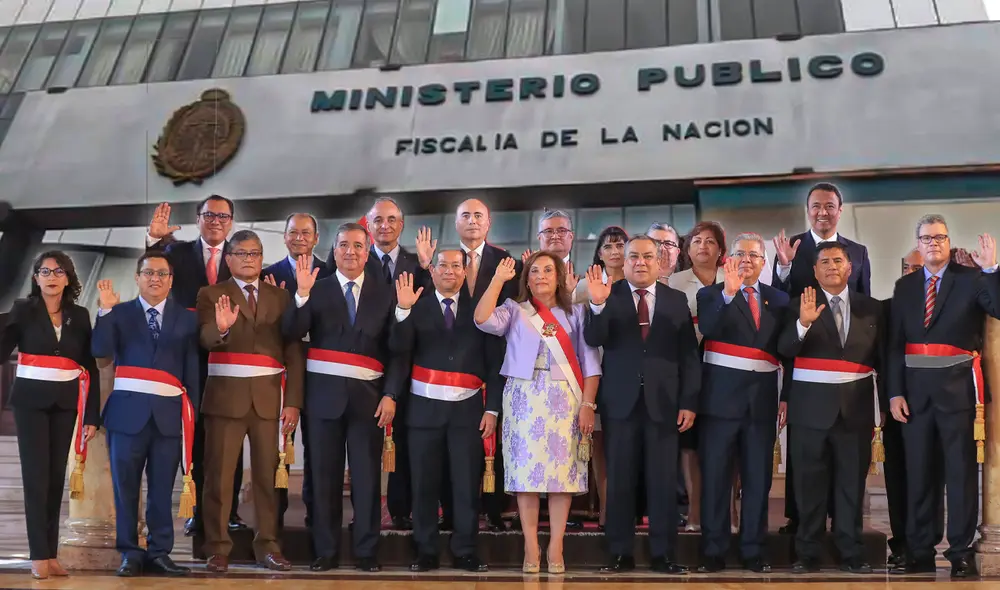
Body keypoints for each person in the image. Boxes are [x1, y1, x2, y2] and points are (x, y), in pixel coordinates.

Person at [285, 222, 404, 572]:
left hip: (370, 402)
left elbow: (397, 352)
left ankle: (366, 551)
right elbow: (291, 332)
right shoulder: (315, 289)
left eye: (357, 246)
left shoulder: (386, 293)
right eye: (343, 245)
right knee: (323, 477)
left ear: (368, 252)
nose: (350, 252)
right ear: (333, 250)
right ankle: (325, 550)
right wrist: (301, 295)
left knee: (367, 479)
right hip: (323, 400)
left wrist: (391, 394)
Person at [474, 253, 601, 573]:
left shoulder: (577, 313)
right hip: (523, 399)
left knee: (561, 478)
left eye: (548, 270)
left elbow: (591, 366)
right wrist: (497, 281)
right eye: (534, 271)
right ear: (526, 279)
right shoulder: (515, 310)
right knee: (526, 476)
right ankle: (531, 545)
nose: (541, 276)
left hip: (565, 400)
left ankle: (556, 544)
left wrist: (587, 405)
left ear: (559, 277)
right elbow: (481, 318)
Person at [888, 215, 1000, 578]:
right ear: (917, 244)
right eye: (926, 238)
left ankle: (960, 552)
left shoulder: (971, 280)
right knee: (919, 474)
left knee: (960, 474)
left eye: (939, 237)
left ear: (949, 242)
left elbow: (998, 308)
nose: (933, 243)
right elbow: (893, 347)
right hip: (914, 394)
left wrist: (992, 269)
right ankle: (920, 550)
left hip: (957, 392)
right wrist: (894, 393)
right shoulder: (903, 287)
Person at [584, 235, 699, 574]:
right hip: (621, 404)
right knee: (620, 480)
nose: (640, 262)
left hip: (665, 405)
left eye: (648, 256)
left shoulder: (676, 299)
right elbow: (593, 339)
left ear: (660, 260)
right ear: (624, 260)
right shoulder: (610, 295)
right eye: (633, 256)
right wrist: (597, 306)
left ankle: (664, 554)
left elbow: (689, 357)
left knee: (663, 481)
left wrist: (689, 401)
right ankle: (620, 553)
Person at [197, 230, 303, 573]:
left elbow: (293, 351)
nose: (248, 259)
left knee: (268, 479)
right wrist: (222, 328)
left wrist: (294, 402)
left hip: (268, 400)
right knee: (219, 477)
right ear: (228, 259)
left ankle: (269, 546)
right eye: (241, 253)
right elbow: (205, 338)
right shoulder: (211, 294)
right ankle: (216, 547)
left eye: (254, 253)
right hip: (225, 399)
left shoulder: (281, 297)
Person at [777, 242, 884, 574]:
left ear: (850, 268)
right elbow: (785, 349)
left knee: (851, 485)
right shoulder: (798, 306)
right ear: (814, 270)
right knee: (809, 486)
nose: (832, 266)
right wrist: (803, 324)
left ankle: (851, 552)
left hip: (855, 411)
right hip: (810, 412)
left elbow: (884, 360)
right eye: (824, 261)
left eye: (839, 260)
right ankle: (807, 552)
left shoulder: (873, 309)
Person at [771, 182, 871, 534]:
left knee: (847, 459)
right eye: (816, 206)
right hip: (803, 361)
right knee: (806, 454)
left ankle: (843, 527)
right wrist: (783, 269)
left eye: (830, 205)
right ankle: (801, 521)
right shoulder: (792, 248)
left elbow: (864, 308)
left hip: (844, 367)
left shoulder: (857, 251)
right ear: (807, 209)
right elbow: (778, 307)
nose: (823, 212)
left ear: (840, 210)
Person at [92, 253, 199, 577]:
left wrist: (192, 414)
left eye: (162, 274)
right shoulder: (119, 313)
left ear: (171, 280)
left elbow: (191, 371)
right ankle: (130, 552)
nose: (155, 278)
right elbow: (100, 351)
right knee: (125, 487)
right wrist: (106, 311)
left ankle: (159, 552)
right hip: (127, 416)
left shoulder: (187, 318)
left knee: (162, 488)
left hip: (168, 417)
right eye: (149, 273)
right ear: (137, 277)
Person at [416, 198, 520, 532]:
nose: (472, 221)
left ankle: (484, 522)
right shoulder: (433, 267)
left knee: (471, 468)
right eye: (465, 215)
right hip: (430, 395)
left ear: (488, 222)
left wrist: (492, 406)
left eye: (479, 215)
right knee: (430, 475)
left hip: (486, 372)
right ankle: (431, 541)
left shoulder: (505, 262)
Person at [390, 251, 496, 572]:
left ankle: (465, 549)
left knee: (465, 484)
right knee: (424, 484)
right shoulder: (415, 304)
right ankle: (426, 550)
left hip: (468, 411)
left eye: (456, 266)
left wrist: (492, 408)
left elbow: (493, 362)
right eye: (443, 265)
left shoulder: (480, 309)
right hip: (424, 411)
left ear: (465, 272)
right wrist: (403, 310)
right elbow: (397, 349)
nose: (449, 271)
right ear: (431, 270)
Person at [146, 198, 244, 536]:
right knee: (196, 434)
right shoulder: (176, 253)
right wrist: (154, 241)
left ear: (231, 221)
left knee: (230, 436)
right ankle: (198, 511)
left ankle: (230, 512)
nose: (216, 221)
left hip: (232, 358)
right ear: (198, 219)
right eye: (209, 215)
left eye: (223, 215)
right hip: (187, 358)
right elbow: (152, 273)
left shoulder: (243, 255)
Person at [0, 251, 99, 580]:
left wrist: (91, 416)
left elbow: (91, 368)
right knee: (36, 478)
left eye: (58, 271)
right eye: (45, 271)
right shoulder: (23, 310)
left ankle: (51, 554)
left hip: (66, 402)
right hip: (30, 403)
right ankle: (38, 556)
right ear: (36, 277)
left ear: (68, 277)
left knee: (56, 478)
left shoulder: (81, 315)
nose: (52, 276)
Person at [696, 233, 790, 574]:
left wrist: (786, 397)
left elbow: (788, 352)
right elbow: (709, 328)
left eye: (754, 255)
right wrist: (729, 292)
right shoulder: (710, 295)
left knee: (757, 482)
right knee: (716, 480)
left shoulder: (779, 300)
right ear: (727, 260)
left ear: (764, 263)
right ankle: (714, 550)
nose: (747, 260)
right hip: (719, 404)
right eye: (740, 254)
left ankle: (753, 550)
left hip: (762, 405)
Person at [262, 212, 329, 532]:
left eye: (306, 233)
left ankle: (317, 516)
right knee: (277, 447)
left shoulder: (333, 272)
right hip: (281, 367)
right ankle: (273, 518)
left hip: (320, 367)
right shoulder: (267, 275)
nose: (299, 238)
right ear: (284, 237)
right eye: (293, 232)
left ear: (317, 238)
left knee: (318, 446)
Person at [364, 197, 427, 531]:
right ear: (369, 224)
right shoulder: (353, 258)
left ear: (401, 224)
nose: (384, 226)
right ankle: (367, 512)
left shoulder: (418, 264)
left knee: (404, 437)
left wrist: (429, 270)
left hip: (407, 359)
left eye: (391, 220)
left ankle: (401, 509)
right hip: (365, 360)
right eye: (378, 220)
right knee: (365, 440)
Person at [882, 248, 944, 568]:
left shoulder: (946, 307)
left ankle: (926, 544)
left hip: (936, 409)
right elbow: (880, 358)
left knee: (931, 478)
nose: (917, 272)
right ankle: (902, 543)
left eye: (922, 267)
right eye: (911, 266)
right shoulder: (887, 309)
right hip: (896, 408)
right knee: (898, 479)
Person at [668, 221, 727, 534]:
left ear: (720, 250)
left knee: (725, 442)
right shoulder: (674, 282)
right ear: (687, 250)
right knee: (689, 444)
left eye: (710, 242)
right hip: (687, 369)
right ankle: (693, 513)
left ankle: (728, 512)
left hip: (726, 371)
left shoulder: (734, 279)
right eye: (697, 242)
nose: (703, 247)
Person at [572, 225, 628, 530]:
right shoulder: (585, 286)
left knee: (625, 446)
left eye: (621, 246)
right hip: (594, 373)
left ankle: (623, 508)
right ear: (600, 253)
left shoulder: (638, 283)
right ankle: (605, 508)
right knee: (600, 446)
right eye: (608, 247)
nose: (616, 252)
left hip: (629, 376)